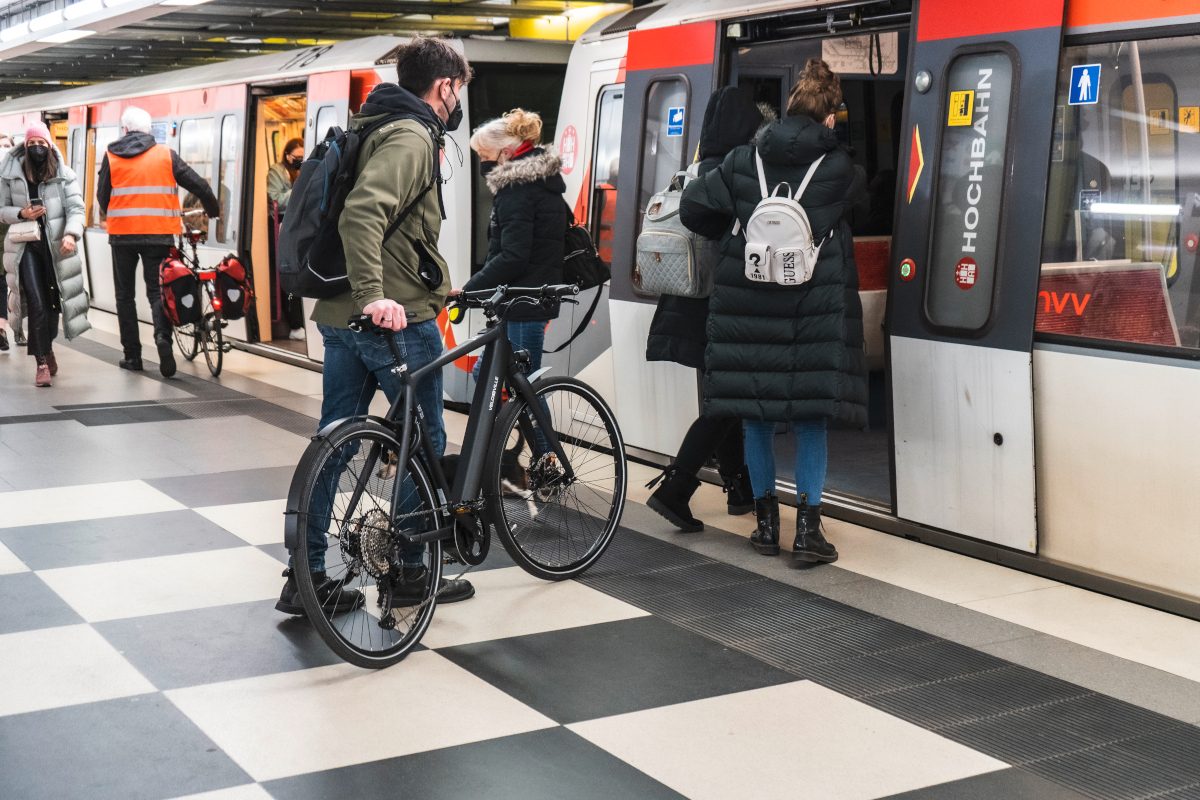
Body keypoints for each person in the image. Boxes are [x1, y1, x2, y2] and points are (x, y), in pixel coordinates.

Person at [277, 36, 476, 616]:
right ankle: (413, 574)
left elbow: (396, 232)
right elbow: (365, 213)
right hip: (389, 322)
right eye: (458, 88)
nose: (457, 98)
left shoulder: (373, 123)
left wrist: (432, 283)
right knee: (422, 443)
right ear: (445, 87)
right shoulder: (413, 136)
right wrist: (377, 298)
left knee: (332, 443)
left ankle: (306, 577)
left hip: (340, 319)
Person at [680, 58, 868, 564]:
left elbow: (693, 207)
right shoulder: (838, 168)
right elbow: (862, 197)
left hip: (748, 306)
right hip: (813, 308)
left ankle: (765, 528)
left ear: (786, 110)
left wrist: (740, 231)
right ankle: (808, 531)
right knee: (810, 421)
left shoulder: (744, 160)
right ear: (830, 118)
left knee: (756, 419)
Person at [645, 87, 760, 532]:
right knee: (727, 401)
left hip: (688, 303)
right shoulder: (735, 176)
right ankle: (676, 488)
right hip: (721, 306)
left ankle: (738, 486)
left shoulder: (693, 173)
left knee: (722, 397)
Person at [97, 106, 220, 377]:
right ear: (150, 130)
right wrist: (212, 208)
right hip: (158, 235)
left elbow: (102, 197)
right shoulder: (166, 155)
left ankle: (132, 357)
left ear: (125, 129)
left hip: (122, 237)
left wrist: (116, 211)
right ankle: (162, 338)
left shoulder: (111, 155)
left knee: (124, 296)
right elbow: (199, 185)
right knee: (158, 292)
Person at [454, 108, 565, 374]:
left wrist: (470, 290)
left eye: (484, 155)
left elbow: (513, 255)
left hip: (524, 302)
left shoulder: (517, 190)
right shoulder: (538, 181)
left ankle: (530, 418)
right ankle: (510, 418)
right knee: (489, 374)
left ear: (505, 152)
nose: (482, 161)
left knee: (522, 385)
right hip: (522, 299)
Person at [0, 123, 90, 387]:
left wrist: (71, 234)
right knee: (37, 302)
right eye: (31, 144)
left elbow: (77, 209)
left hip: (55, 248)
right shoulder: (10, 175)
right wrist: (21, 214)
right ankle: (41, 362)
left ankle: (47, 347)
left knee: (52, 304)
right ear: (24, 147)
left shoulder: (65, 174)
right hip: (25, 246)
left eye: (41, 143)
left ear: (50, 145)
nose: (36, 148)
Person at [267, 137, 306, 340]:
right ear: (287, 156)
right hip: (281, 226)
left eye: (302, 157)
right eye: (295, 157)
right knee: (288, 274)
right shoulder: (277, 171)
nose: (299, 161)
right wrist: (300, 190)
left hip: (302, 227)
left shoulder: (307, 169)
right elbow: (275, 198)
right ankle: (295, 324)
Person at [0, 133, 13, 352]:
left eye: (7, 146)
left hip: (9, 236)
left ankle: (2, 329)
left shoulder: (16, 175)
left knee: (3, 284)